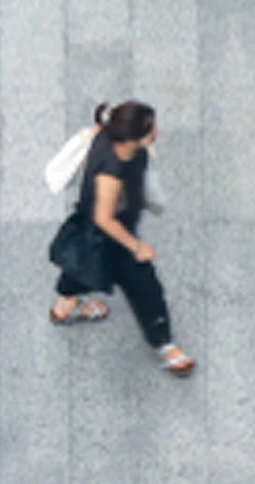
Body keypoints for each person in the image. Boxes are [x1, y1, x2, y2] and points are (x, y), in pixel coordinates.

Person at [50, 101, 196, 376]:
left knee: (79, 270)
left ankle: (64, 308)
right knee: (146, 290)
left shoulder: (105, 137)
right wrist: (137, 246)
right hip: (111, 241)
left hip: (87, 234)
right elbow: (105, 219)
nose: (157, 133)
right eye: (151, 129)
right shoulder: (113, 171)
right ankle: (164, 344)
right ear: (131, 138)